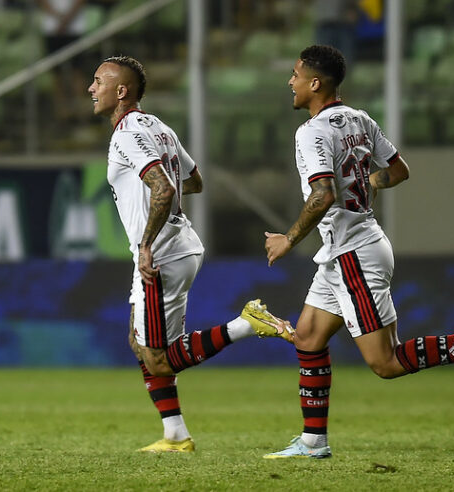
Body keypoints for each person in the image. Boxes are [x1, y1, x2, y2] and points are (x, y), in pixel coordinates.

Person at [261, 45, 454, 459]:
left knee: (386, 364)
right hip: (348, 251)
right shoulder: (360, 119)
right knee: (307, 337)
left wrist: (288, 238)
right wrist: (369, 181)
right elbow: (398, 171)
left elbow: (322, 195)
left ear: (314, 83)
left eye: (296, 74)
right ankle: (312, 442)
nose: (291, 81)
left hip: (355, 255)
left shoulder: (311, 132)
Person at [87, 56, 294, 453]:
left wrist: (146, 243)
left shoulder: (127, 133)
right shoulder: (158, 127)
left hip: (161, 252)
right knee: (138, 340)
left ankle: (247, 324)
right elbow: (193, 181)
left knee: (159, 358)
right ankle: (176, 434)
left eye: (98, 82)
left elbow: (165, 189)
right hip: (179, 245)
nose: (90, 89)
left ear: (121, 91)